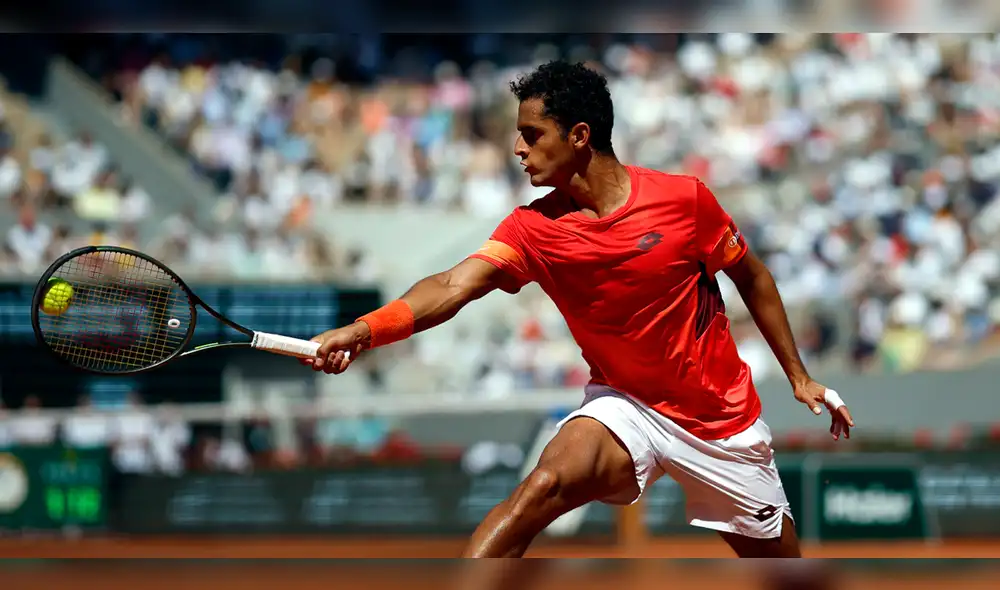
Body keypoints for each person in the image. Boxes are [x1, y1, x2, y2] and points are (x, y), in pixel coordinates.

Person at [302, 61, 855, 558]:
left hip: (719, 421)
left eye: (531, 134)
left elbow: (753, 277)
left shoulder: (685, 201)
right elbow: (452, 285)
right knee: (539, 489)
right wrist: (365, 329)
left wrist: (798, 376)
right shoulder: (531, 229)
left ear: (579, 135)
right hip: (626, 406)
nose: (518, 148)